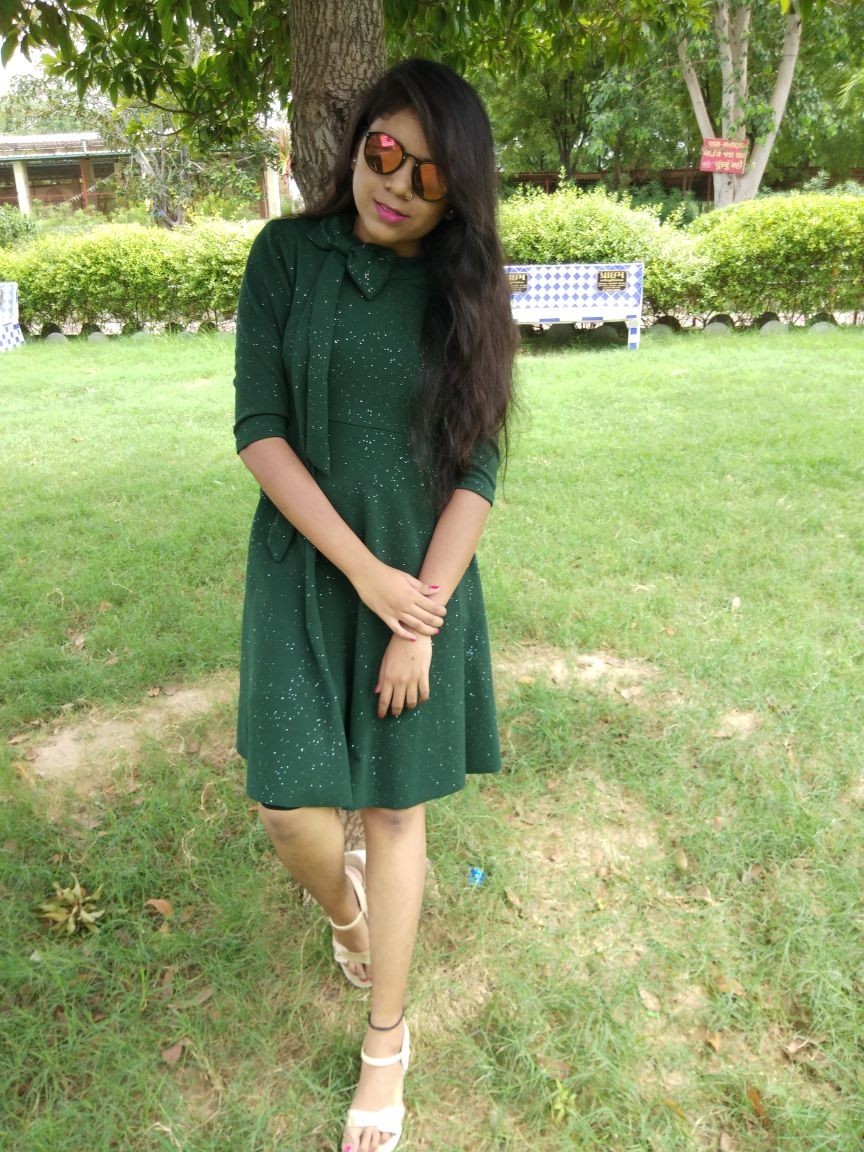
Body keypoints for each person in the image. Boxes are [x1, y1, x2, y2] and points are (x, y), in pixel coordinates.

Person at [232, 58, 517, 1152]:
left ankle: (386, 1042)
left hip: (422, 581)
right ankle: (349, 917)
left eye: (428, 174)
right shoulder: (285, 256)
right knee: (288, 810)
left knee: (397, 813)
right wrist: (365, 576)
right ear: (357, 142)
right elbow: (261, 431)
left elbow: (477, 468)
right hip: (310, 565)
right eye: (383, 151)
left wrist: (417, 619)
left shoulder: (465, 292)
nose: (395, 182)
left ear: (458, 194)